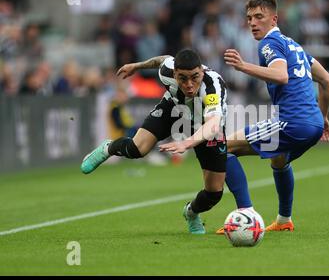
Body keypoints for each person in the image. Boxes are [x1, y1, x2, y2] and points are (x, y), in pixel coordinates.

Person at [218, 0, 329, 233]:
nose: (252, 22)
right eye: (249, 18)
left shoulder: (269, 43)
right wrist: (322, 118)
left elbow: (281, 76)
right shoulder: (295, 46)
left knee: (224, 147)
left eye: (259, 16)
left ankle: (246, 217)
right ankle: (284, 220)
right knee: (278, 159)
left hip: (293, 122)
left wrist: (242, 66)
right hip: (311, 124)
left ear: (274, 19)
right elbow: (327, 80)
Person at [80, 49, 228, 235]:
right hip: (173, 109)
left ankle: (191, 212)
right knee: (137, 149)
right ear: (174, 74)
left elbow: (213, 124)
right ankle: (108, 148)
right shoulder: (167, 70)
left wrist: (187, 142)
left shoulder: (213, 86)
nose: (189, 85)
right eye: (182, 78)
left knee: (214, 192)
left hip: (203, 125)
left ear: (202, 72)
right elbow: (164, 59)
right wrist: (137, 66)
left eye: (194, 77)